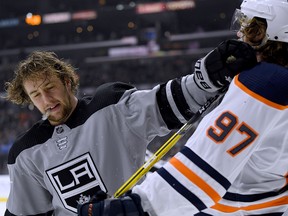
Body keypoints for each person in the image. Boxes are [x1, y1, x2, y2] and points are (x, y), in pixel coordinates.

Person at [3, 22, 257, 216]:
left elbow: (167, 101)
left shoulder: (111, 107)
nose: (46, 100)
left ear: (67, 82)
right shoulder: (26, 152)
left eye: (50, 87)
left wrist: (208, 78)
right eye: (36, 95)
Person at [77, 0, 288, 215]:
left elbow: (205, 170)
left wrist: (136, 207)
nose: (240, 34)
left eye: (250, 27)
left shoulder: (266, 83)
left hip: (238, 209)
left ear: (270, 35)